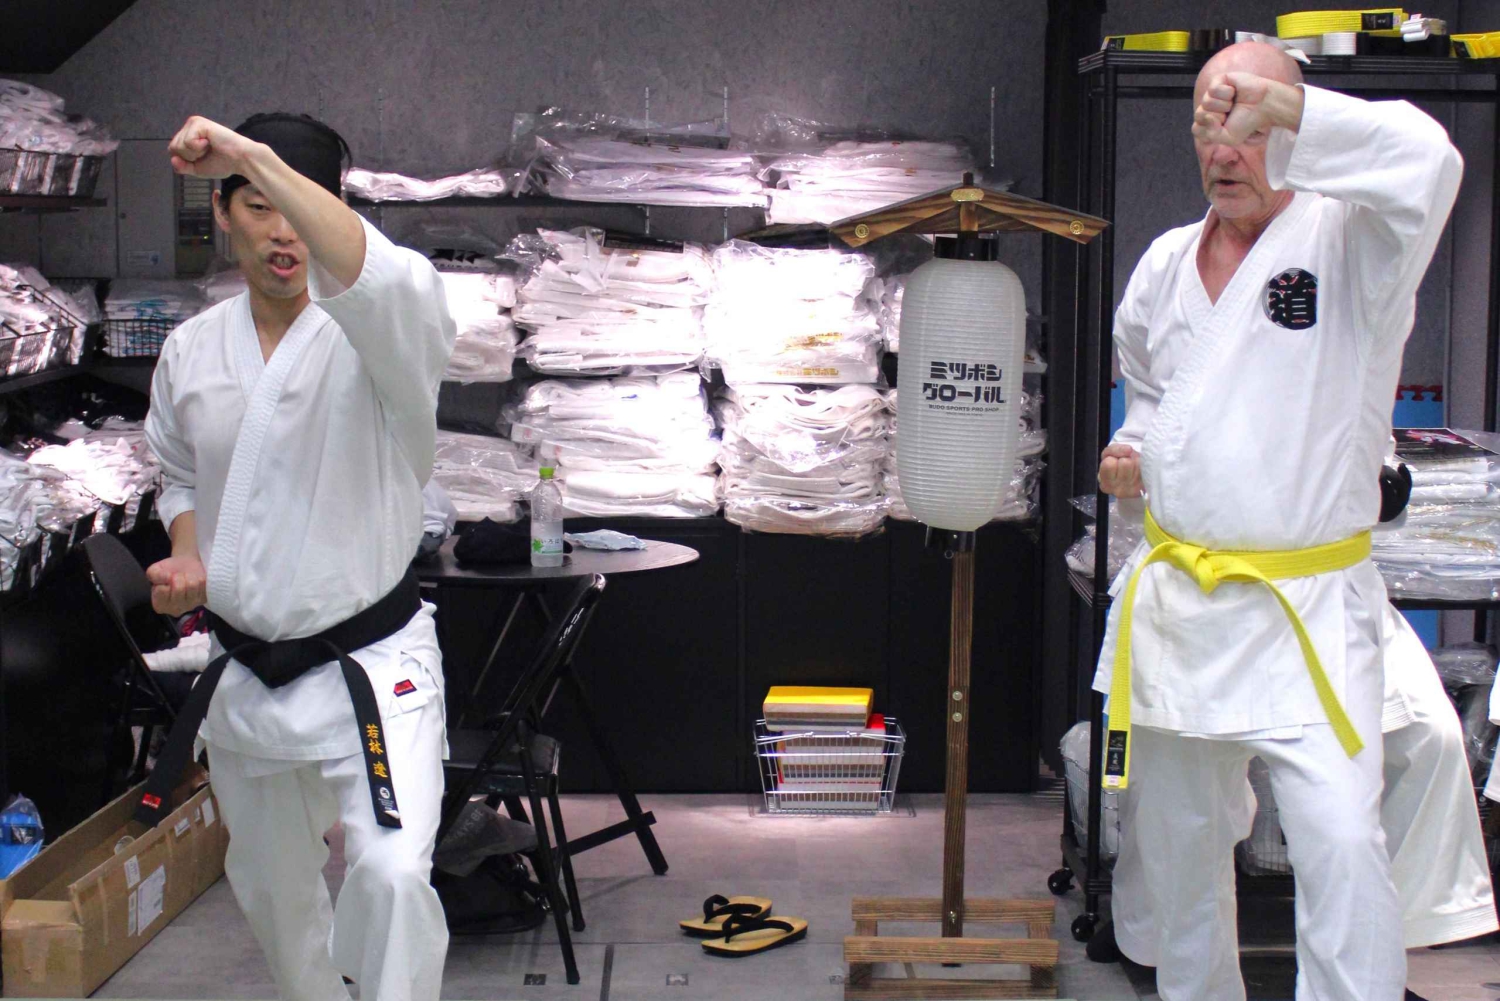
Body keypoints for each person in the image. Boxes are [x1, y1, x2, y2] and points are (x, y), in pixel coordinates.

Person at [1092, 40, 1462, 1000]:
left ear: (1297, 128)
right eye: (1209, 125)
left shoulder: (1356, 243)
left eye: (1250, 127)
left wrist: (1287, 106)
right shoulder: (1164, 265)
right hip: (1186, 604)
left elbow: (1433, 162)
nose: (1226, 151)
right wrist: (1131, 450)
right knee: (1180, 845)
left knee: (1340, 841)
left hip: (1308, 609)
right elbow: (1153, 398)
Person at [142, 112, 457, 1001]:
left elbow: (373, 270)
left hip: (372, 664)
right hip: (248, 669)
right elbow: (179, 473)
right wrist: (188, 555)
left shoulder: (384, 327)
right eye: (257, 206)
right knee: (274, 895)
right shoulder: (192, 349)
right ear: (221, 212)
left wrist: (253, 158)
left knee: (392, 875)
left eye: (300, 205)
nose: (283, 232)